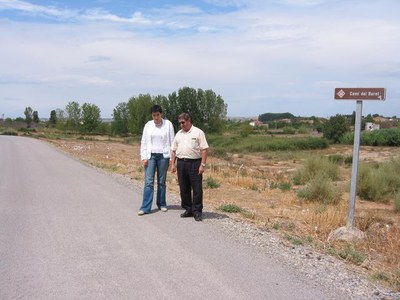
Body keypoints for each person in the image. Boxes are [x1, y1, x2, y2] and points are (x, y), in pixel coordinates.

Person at [170, 112, 209, 221]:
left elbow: (204, 149)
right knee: (184, 188)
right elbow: (173, 150)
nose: (181, 125)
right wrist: (172, 164)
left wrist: (203, 165)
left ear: (188, 120)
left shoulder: (198, 132)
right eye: (180, 123)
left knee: (197, 188)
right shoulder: (179, 134)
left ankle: (197, 211)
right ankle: (188, 209)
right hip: (181, 163)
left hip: (194, 163)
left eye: (183, 122)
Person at [138, 105, 175, 216]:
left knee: (161, 181)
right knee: (149, 182)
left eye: (158, 115)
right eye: (154, 115)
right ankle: (145, 207)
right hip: (150, 156)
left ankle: (162, 203)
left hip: (163, 156)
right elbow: (144, 141)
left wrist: (172, 159)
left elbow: (172, 142)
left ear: (161, 114)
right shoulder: (148, 125)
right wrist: (144, 157)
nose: (156, 117)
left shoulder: (168, 124)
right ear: (152, 115)